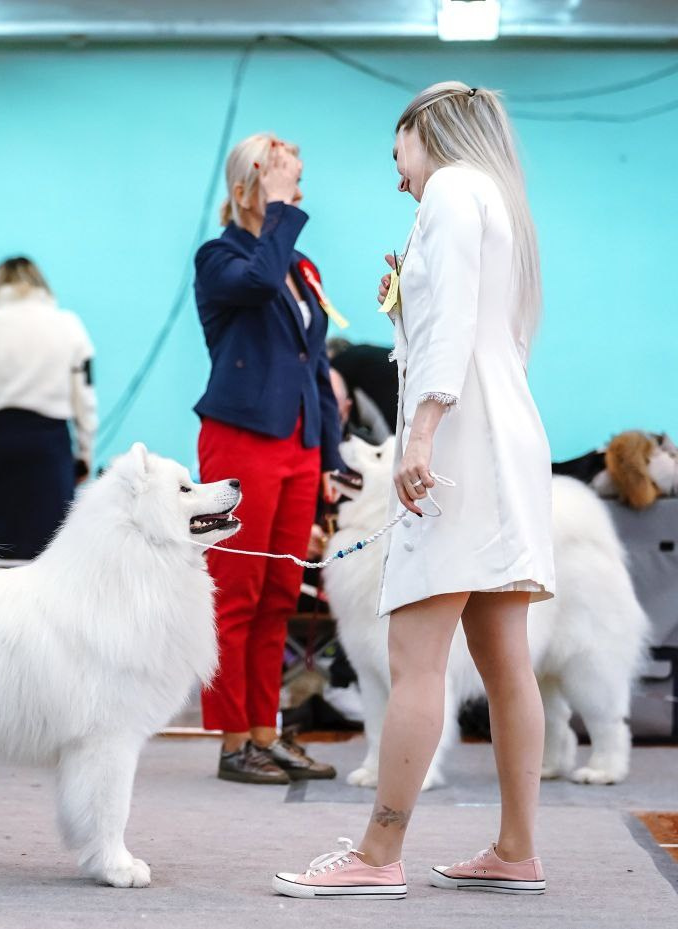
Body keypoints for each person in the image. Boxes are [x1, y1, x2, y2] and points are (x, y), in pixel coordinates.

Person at [273, 82, 555, 900]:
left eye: (396, 151)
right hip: (505, 437)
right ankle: (516, 849)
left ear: (424, 132)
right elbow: (488, 331)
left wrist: (422, 432)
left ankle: (377, 854)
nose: (396, 174)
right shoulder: (498, 198)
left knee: (414, 657)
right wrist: (404, 303)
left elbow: (453, 325)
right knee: (505, 659)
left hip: (460, 442)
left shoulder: (453, 190)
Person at [193, 132, 343, 786]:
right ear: (247, 187)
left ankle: (265, 731)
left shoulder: (301, 266)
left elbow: (318, 366)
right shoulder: (218, 257)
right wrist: (276, 209)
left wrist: (331, 456)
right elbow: (256, 282)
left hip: (300, 445)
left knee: (282, 593)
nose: (296, 194)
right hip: (241, 439)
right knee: (238, 593)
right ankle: (233, 742)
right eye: (284, 182)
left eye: (297, 182)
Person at [0, 257, 98, 559]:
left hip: (3, 442)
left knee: (2, 544)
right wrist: (84, 454)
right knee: (53, 548)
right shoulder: (68, 325)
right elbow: (85, 397)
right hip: (51, 444)